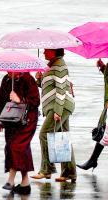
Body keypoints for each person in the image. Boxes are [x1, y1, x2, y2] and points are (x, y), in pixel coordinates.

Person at [30, 48, 77, 182]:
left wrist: (57, 111)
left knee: (44, 134)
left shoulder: (59, 66)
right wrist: (39, 79)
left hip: (60, 106)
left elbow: (61, 90)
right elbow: (48, 86)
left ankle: (47, 170)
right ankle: (69, 173)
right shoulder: (50, 66)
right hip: (59, 106)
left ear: (55, 52)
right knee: (63, 138)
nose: (44, 52)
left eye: (47, 50)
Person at [0, 72, 40, 194]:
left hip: (27, 120)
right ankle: (25, 183)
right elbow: (1, 101)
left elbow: (35, 101)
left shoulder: (28, 79)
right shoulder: (6, 79)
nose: (9, 73)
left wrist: (20, 100)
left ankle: (10, 180)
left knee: (17, 146)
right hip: (11, 119)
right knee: (13, 147)